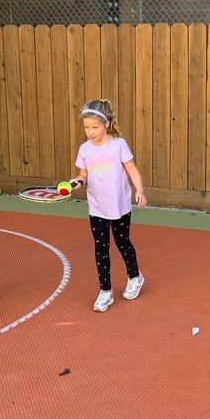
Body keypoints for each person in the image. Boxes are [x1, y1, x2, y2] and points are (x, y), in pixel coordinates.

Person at [70, 99, 147, 313]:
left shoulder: (118, 145)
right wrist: (76, 182)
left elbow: (131, 169)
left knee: (123, 243)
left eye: (95, 127)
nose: (90, 132)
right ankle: (106, 291)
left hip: (120, 205)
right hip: (97, 207)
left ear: (107, 124)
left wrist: (139, 190)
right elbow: (83, 175)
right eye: (86, 127)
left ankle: (135, 277)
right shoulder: (84, 149)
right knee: (101, 248)